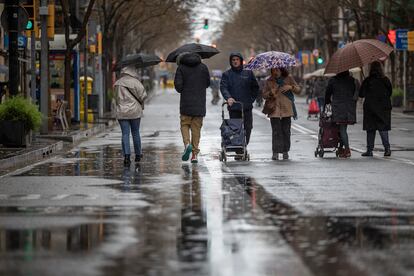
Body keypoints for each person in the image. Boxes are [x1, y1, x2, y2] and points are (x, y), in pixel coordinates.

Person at [174, 52, 210, 163]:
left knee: (184, 124)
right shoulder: (203, 67)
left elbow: (178, 87)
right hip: (199, 104)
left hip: (186, 103)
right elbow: (207, 83)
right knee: (196, 129)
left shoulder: (181, 68)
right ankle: (194, 154)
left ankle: (187, 144)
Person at [220, 53, 259, 154]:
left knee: (248, 128)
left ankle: (244, 145)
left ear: (241, 61)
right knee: (236, 129)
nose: (235, 61)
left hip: (246, 106)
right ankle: (238, 149)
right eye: (233, 60)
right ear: (231, 61)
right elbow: (223, 87)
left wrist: (251, 99)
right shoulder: (227, 74)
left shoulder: (248, 73)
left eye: (237, 59)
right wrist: (228, 98)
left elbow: (255, 87)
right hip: (234, 107)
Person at [262, 68, 301, 160]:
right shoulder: (269, 81)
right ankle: (275, 152)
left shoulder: (288, 78)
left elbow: (298, 90)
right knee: (276, 132)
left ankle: (285, 151)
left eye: (277, 70)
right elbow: (264, 95)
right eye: (273, 70)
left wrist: (291, 87)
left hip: (287, 109)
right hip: (274, 109)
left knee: (286, 131)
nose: (275, 72)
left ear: (281, 70)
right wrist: (270, 93)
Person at [114, 65, 147, 166]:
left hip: (122, 111)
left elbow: (116, 98)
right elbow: (143, 96)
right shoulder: (136, 82)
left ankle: (127, 156)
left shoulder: (118, 83)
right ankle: (138, 154)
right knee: (135, 132)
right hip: (135, 111)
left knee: (125, 134)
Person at [359, 61, 392, 157]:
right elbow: (390, 92)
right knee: (383, 128)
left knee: (371, 129)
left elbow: (361, 94)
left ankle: (369, 150)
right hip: (383, 108)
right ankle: (387, 149)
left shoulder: (368, 80)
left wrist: (365, 84)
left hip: (370, 108)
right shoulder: (385, 80)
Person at [325, 70, 359, 158]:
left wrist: (327, 102)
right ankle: (341, 148)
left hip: (338, 107)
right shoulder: (352, 80)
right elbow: (355, 92)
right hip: (349, 107)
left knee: (342, 129)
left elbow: (328, 93)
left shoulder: (333, 80)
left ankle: (347, 149)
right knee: (342, 128)